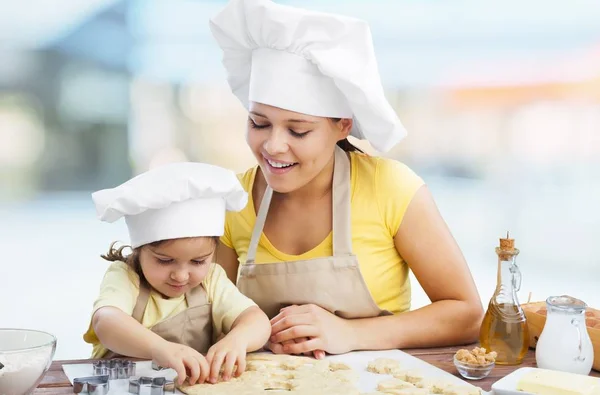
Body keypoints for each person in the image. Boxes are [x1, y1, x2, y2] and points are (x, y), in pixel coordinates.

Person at [209, 0, 484, 359]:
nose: (274, 146)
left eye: (299, 131)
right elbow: (210, 318)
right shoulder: (233, 200)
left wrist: (349, 333)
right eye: (259, 123)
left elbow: (467, 314)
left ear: (342, 125)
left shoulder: (391, 189)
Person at [83, 162, 271, 385]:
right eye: (165, 261)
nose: (181, 276)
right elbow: (106, 323)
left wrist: (238, 340)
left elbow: (257, 320)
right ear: (139, 250)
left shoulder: (212, 280)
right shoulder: (125, 277)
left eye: (198, 261)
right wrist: (159, 348)